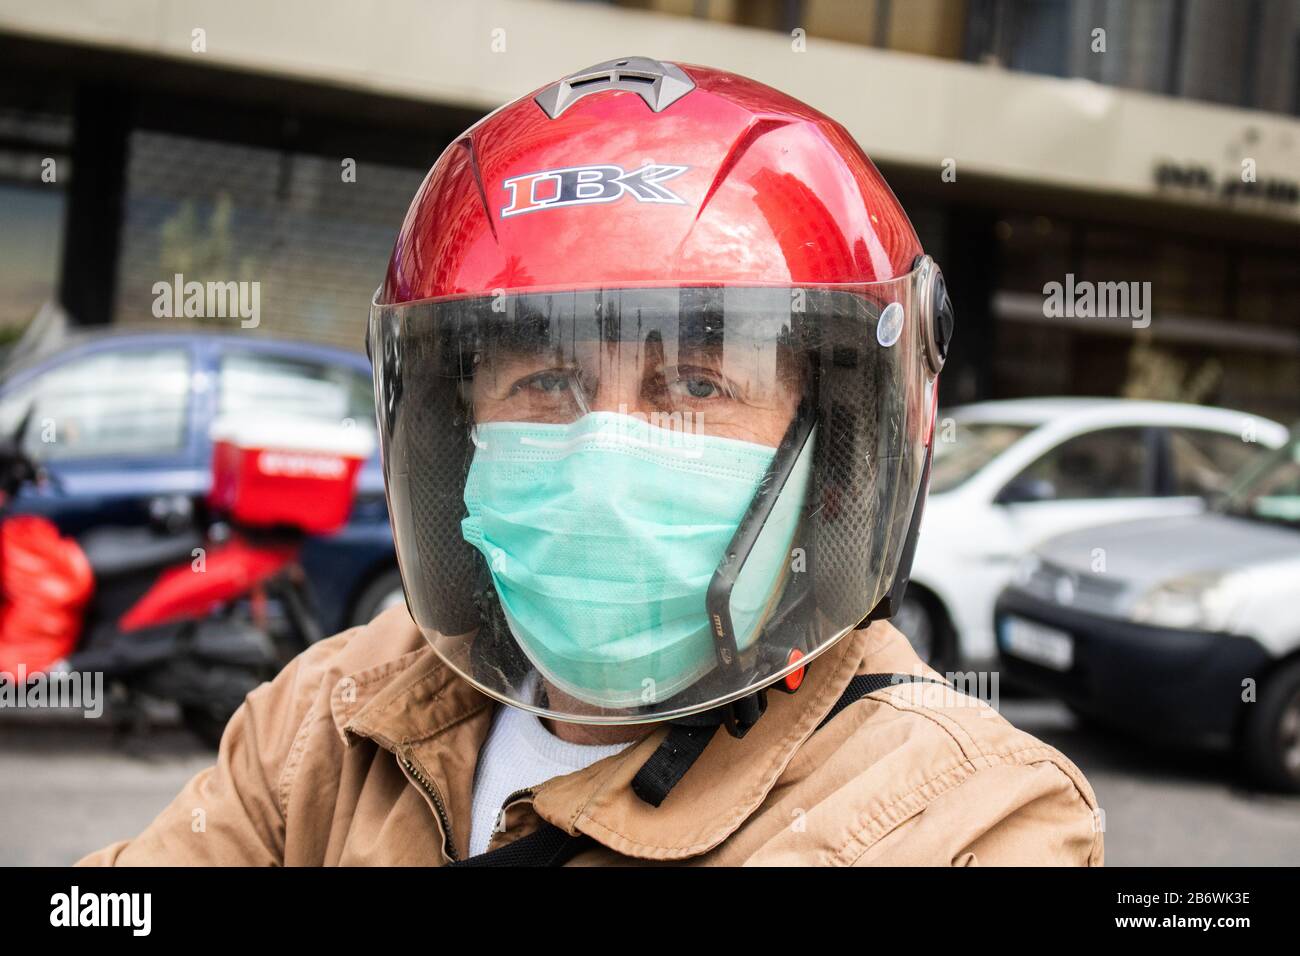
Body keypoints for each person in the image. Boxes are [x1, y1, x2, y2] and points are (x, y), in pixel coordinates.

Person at [80, 57, 1101, 866]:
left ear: (833, 454)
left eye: (695, 386)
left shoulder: (964, 814)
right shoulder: (330, 713)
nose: (604, 448)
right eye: (547, 384)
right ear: (453, 430)